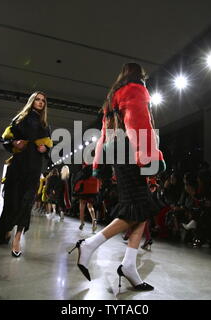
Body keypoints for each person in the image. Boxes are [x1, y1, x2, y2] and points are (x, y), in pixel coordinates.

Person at [69, 63, 165, 291]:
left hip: (118, 154)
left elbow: (105, 133)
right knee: (138, 207)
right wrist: (150, 156)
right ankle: (90, 244)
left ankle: (129, 265)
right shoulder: (136, 89)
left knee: (141, 209)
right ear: (140, 75)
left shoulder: (113, 96)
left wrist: (98, 163)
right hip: (132, 153)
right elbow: (139, 122)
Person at [0, 92, 52, 258]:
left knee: (26, 202)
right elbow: (6, 139)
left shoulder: (45, 124)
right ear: (32, 101)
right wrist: (13, 143)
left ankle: (17, 238)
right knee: (12, 201)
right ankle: (5, 232)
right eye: (37, 100)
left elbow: (48, 146)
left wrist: (45, 149)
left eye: (43, 101)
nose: (40, 103)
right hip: (18, 165)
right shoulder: (19, 119)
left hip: (34, 167)